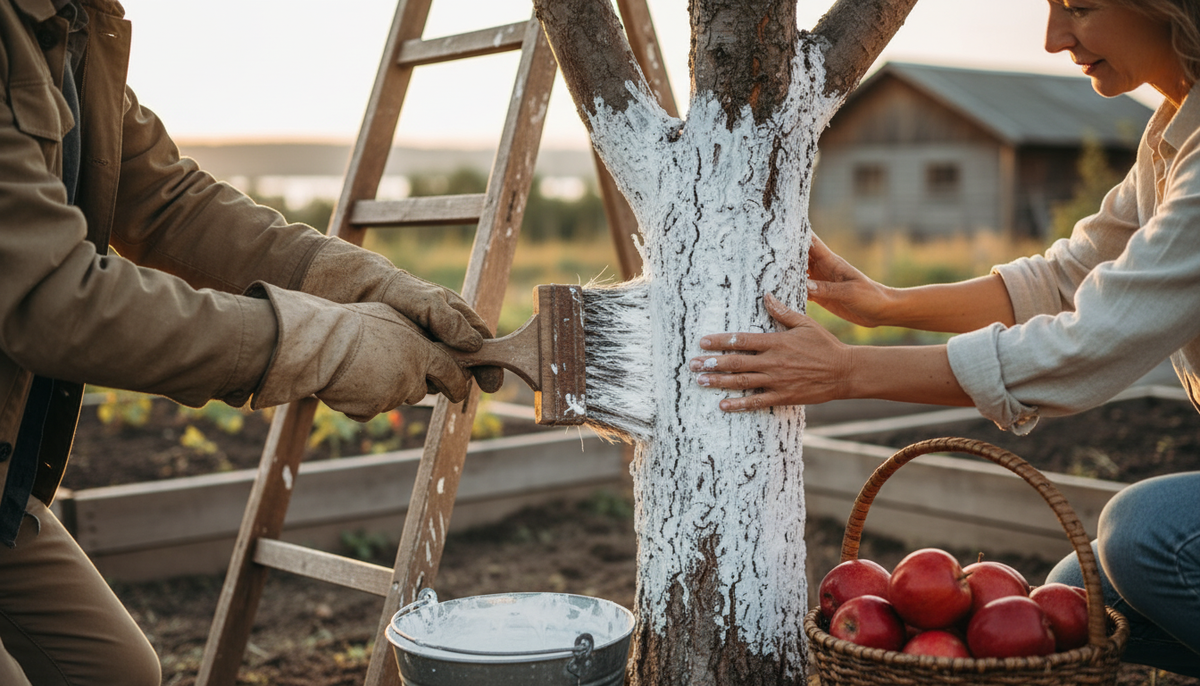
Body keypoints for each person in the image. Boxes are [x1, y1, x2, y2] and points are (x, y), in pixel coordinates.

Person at [690, 0, 1200, 676]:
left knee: (1143, 533)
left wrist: (848, 373)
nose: (1052, 39)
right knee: (1077, 599)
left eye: (1079, 6)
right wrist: (883, 303)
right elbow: (1066, 279)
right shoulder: (1172, 132)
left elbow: (1087, 345)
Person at [0, 0, 503, 683]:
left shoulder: (76, 24)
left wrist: (364, 283)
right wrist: (329, 348)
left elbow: (170, 204)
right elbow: (52, 298)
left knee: (116, 672)